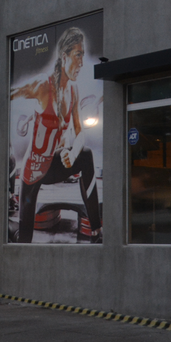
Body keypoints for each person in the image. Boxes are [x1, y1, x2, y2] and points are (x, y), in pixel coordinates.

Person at [10, 26, 101, 243]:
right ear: (64, 56)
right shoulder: (43, 84)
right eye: (77, 55)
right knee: (25, 240)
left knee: (86, 155)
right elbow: (9, 94)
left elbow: (79, 132)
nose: (81, 62)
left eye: (83, 55)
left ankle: (97, 232)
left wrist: (73, 152)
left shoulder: (73, 90)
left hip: (52, 165)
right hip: (33, 173)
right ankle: (13, 231)